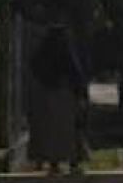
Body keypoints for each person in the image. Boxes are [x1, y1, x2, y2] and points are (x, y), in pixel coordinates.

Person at [28, 24, 88, 174]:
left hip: (49, 94)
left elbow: (35, 65)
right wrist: (81, 93)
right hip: (65, 94)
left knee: (52, 130)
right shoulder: (67, 49)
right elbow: (75, 72)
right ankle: (74, 164)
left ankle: (54, 164)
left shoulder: (44, 51)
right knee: (70, 130)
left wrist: (46, 82)